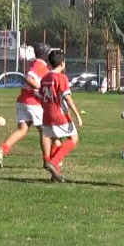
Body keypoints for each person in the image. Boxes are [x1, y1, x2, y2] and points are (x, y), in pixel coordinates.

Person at [0, 42, 51, 168]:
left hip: (23, 101)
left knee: (22, 130)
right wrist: (40, 89)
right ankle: (48, 161)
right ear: (45, 54)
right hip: (32, 102)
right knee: (44, 131)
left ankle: (3, 149)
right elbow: (29, 78)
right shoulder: (40, 65)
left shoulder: (35, 63)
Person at [39, 50, 83, 183]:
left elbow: (41, 97)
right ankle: (54, 161)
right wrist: (77, 115)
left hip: (47, 114)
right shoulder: (61, 78)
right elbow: (67, 98)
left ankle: (54, 174)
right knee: (74, 138)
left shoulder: (45, 78)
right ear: (62, 63)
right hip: (59, 114)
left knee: (56, 141)